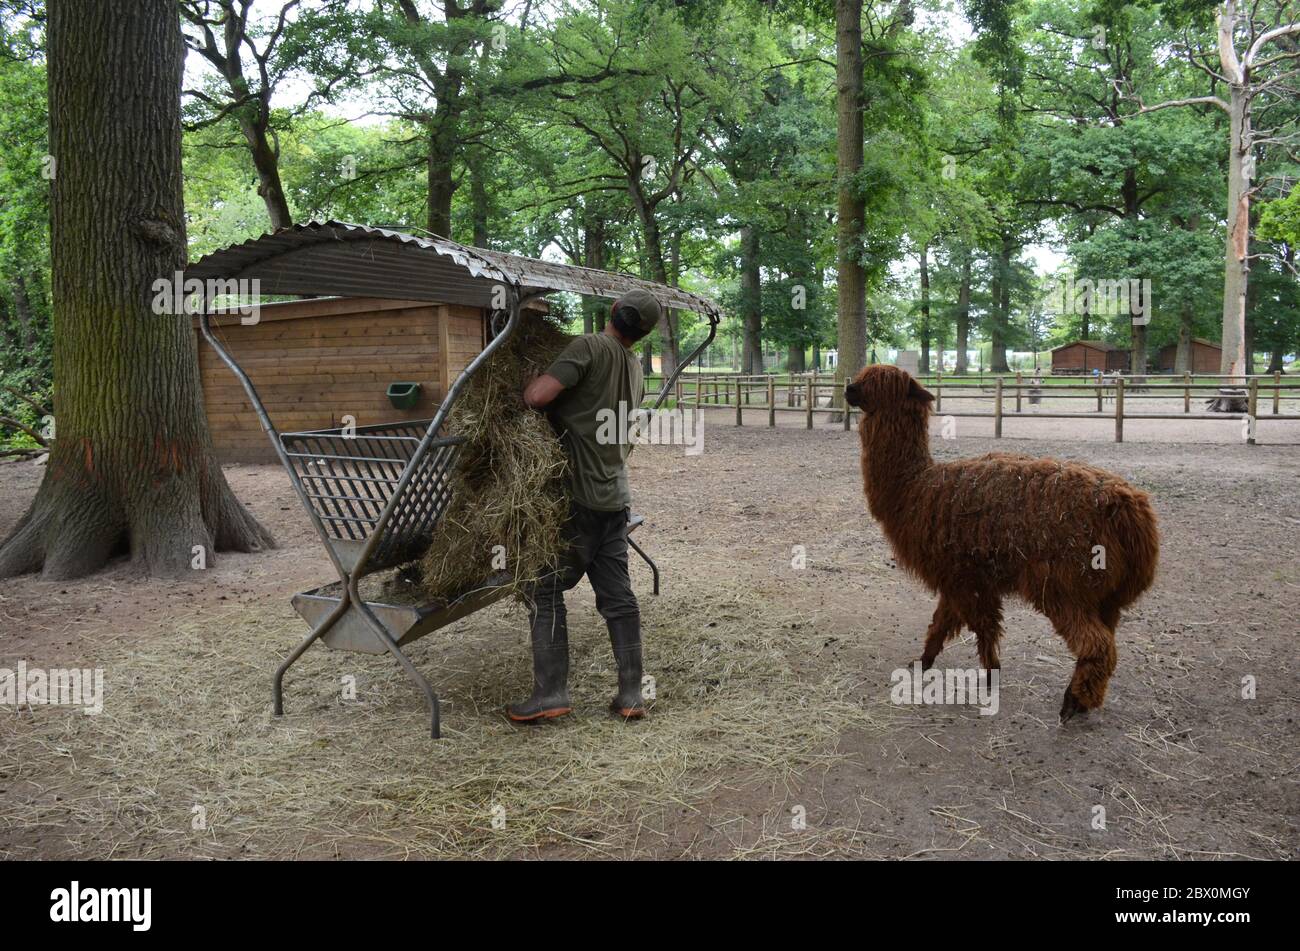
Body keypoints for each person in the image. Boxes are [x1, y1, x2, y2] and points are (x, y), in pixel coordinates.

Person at [507, 289, 661, 723]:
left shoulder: (589, 346)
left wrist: (529, 383)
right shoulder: (635, 368)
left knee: (543, 587)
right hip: (615, 498)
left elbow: (537, 397)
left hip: (577, 498)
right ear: (644, 333)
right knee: (618, 598)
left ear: (613, 311)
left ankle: (550, 693)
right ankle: (631, 695)